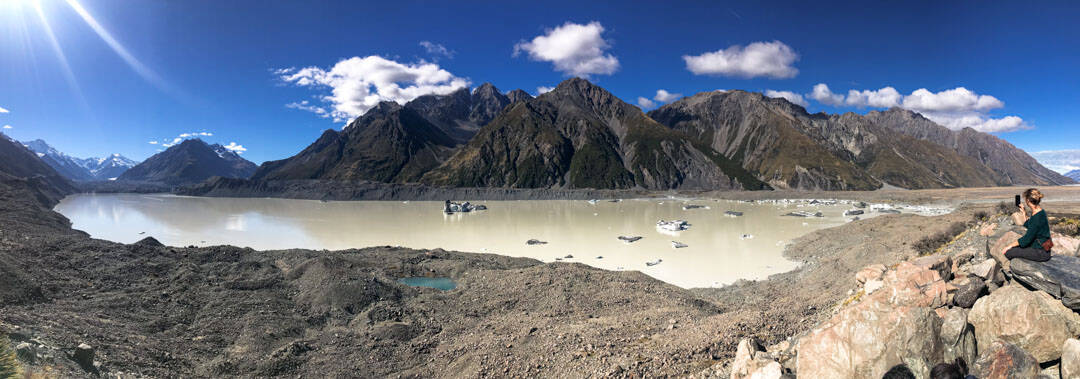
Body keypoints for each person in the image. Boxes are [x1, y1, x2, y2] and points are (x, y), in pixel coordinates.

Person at [996, 188, 1052, 271]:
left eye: (1025, 199)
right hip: (1046, 248)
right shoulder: (1040, 212)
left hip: (1041, 252)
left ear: (1028, 200)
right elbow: (1029, 225)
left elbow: (1026, 240)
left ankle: (1014, 270)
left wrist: (1009, 246)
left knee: (1009, 252)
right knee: (1017, 247)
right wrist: (1024, 213)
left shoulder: (1036, 218)